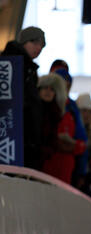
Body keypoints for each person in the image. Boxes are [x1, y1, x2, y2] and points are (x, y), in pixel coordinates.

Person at [1, 26, 46, 169]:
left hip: (19, 140)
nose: (39, 48)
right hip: (14, 140)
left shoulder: (27, 70)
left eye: (42, 45)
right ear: (24, 42)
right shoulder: (13, 67)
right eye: (35, 42)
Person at [53, 68, 89, 188]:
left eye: (67, 87)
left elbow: (82, 141)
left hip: (67, 167)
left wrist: (81, 172)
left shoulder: (72, 108)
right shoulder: (46, 105)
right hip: (49, 165)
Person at [37, 73, 67, 167]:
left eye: (52, 89)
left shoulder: (55, 113)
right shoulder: (31, 111)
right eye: (45, 88)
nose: (48, 91)